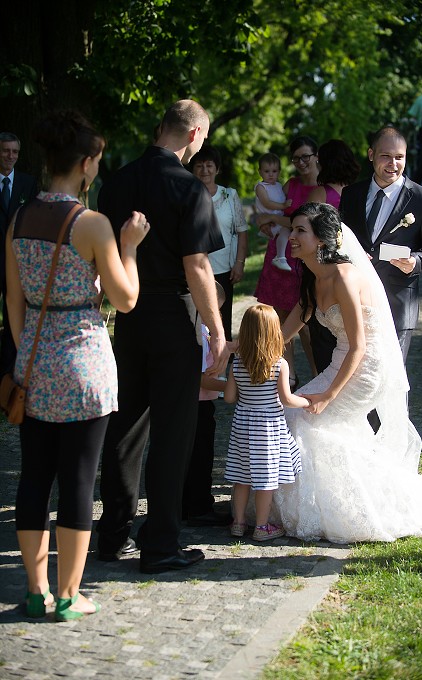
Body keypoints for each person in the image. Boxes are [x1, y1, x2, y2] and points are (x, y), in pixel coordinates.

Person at [5, 110, 149, 620]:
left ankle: (34, 591)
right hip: (84, 367)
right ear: (86, 164)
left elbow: (14, 301)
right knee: (79, 481)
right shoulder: (92, 224)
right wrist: (129, 248)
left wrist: (29, 354)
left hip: (35, 364)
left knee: (33, 479)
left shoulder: (19, 218)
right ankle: (68, 595)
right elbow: (126, 299)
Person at [96, 100, 230, 574]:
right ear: (193, 134)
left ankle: (113, 535)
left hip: (129, 313)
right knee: (173, 433)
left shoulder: (116, 182)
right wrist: (217, 329)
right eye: (204, 137)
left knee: (125, 427)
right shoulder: (189, 186)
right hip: (175, 315)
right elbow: (198, 266)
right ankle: (160, 544)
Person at [270, 202, 422, 543]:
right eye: (291, 229)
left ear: (321, 239)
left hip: (368, 366)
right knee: (293, 416)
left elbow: (359, 346)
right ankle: (319, 502)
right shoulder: (314, 275)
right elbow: (286, 330)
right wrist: (250, 349)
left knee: (308, 421)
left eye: (299, 230)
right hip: (344, 361)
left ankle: (351, 507)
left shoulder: (343, 276)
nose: (291, 236)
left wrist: (327, 395)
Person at [339, 126, 422, 364]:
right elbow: (340, 238)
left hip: (397, 302)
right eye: (386, 156)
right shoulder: (351, 194)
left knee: (390, 373)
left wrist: (415, 262)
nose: (393, 164)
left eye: (399, 157)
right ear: (371, 155)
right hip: (355, 300)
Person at [224, 304, 309, 541]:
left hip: (242, 426)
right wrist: (306, 401)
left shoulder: (238, 363)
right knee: (266, 479)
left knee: (242, 476)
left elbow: (229, 398)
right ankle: (261, 527)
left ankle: (238, 523)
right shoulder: (279, 364)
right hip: (268, 429)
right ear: (274, 332)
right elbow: (287, 399)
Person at [254, 136, 319, 385]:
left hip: (306, 259)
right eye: (296, 158)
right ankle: (288, 375)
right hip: (280, 256)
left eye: (306, 156)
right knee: (280, 318)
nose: (301, 162)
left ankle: (318, 374)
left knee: (306, 323)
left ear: (316, 157)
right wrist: (264, 221)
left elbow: (302, 223)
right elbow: (269, 212)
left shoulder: (322, 188)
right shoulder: (289, 185)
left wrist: (274, 220)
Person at [306, 139, 362, 372]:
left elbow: (308, 229)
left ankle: (326, 373)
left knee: (322, 327)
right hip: (354, 265)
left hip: (324, 263)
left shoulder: (320, 193)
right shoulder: (359, 193)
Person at [182, 283, 235, 526]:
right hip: (199, 405)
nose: (218, 316)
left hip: (195, 403)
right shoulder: (200, 335)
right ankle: (199, 506)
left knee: (194, 455)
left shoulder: (199, 329)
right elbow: (201, 379)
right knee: (200, 456)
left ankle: (188, 504)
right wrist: (232, 386)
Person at [190, 145, 248, 341]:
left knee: (222, 321)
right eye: (199, 166)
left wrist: (239, 263)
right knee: (196, 323)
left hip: (223, 269)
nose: (204, 170)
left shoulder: (229, 195)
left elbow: (242, 231)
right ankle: (200, 357)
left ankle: (224, 357)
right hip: (194, 268)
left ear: (217, 169)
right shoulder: (187, 195)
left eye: (209, 165)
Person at [0, 132, 37, 378]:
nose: (10, 156)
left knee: (14, 317)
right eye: (6, 151)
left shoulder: (28, 183)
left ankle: (9, 376)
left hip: (17, 263)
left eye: (15, 151)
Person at [254, 152, 293, 271]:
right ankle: (280, 257)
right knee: (286, 230)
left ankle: (280, 256)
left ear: (279, 172)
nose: (271, 174)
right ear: (260, 172)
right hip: (270, 221)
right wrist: (283, 205)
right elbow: (267, 203)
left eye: (274, 171)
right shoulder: (261, 187)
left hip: (278, 219)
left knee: (286, 231)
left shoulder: (279, 186)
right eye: (267, 171)